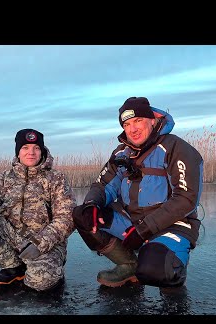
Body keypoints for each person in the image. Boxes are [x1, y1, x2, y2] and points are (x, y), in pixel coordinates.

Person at [73, 97, 203, 289]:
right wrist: (92, 203)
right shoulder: (121, 153)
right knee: (83, 214)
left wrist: (143, 230)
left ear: (152, 120)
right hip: (130, 224)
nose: (132, 129)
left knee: (155, 271)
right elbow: (103, 185)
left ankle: (171, 266)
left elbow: (186, 199)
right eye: (127, 124)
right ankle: (128, 265)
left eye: (138, 121)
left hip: (171, 226)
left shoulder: (176, 148)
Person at [0, 129, 76, 292]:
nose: (31, 152)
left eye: (36, 148)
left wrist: (39, 244)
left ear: (42, 152)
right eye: (25, 147)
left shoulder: (56, 179)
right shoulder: (5, 178)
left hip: (45, 243)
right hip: (12, 236)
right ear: (18, 152)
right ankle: (13, 268)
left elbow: (66, 219)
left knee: (40, 282)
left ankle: (50, 269)